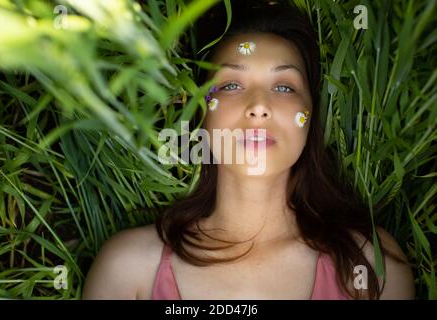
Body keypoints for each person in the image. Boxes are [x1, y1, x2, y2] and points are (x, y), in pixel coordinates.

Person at [82, 0, 415, 300]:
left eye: (284, 87)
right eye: (231, 85)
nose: (259, 106)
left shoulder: (370, 266)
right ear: (199, 111)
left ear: (312, 116)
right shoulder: (128, 270)